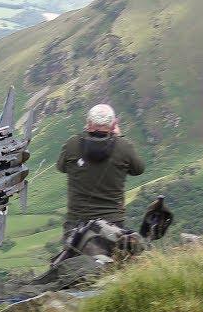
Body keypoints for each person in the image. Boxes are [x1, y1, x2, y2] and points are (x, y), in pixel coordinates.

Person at [56, 103, 145, 242]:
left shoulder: (72, 144)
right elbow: (139, 169)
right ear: (114, 124)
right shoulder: (124, 147)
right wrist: (119, 138)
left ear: (88, 123)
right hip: (113, 223)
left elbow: (61, 167)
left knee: (71, 261)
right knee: (115, 261)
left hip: (77, 223)